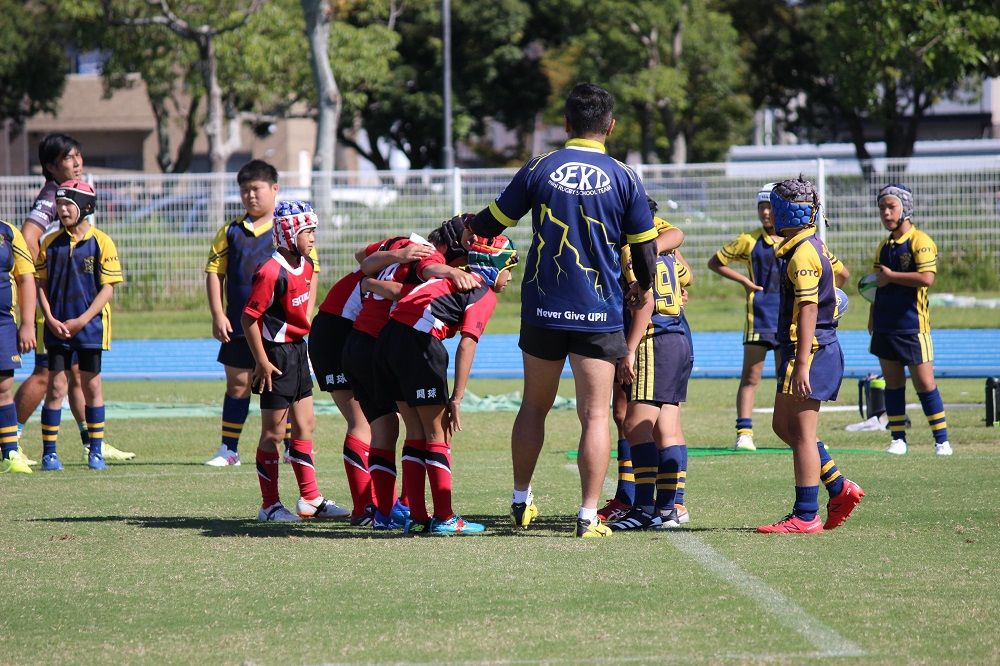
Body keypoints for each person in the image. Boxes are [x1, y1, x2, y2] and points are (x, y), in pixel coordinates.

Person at [465, 82, 675, 538]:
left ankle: (520, 498)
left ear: (565, 123)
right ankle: (586, 515)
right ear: (611, 126)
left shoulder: (540, 166)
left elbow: (492, 222)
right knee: (595, 414)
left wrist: (466, 227)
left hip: (543, 306)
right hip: (599, 311)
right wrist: (640, 286)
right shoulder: (624, 175)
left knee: (533, 406)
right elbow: (646, 247)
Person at [373, 234, 519, 535]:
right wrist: (457, 398)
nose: (510, 277)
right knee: (437, 433)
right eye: (509, 268)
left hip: (388, 341)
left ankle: (417, 518)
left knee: (416, 433)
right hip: (418, 343)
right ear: (495, 265)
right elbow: (467, 344)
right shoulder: (482, 291)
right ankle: (444, 517)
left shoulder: (457, 277)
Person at [341, 218, 476, 529]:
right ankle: (418, 513)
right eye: (467, 248)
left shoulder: (401, 243)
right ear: (453, 246)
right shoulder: (430, 255)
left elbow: (362, 258)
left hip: (359, 341)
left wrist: (382, 271)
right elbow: (429, 271)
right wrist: (451, 272)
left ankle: (387, 513)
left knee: (388, 428)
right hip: (381, 342)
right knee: (420, 430)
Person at [13, 134, 133, 464]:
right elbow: (28, 237)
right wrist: (40, 279)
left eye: (78, 155)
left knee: (78, 375)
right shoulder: (53, 196)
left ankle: (92, 442)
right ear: (51, 167)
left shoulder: (72, 196)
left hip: (74, 309)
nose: (77, 162)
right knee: (45, 375)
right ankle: (10, 440)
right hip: (51, 305)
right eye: (68, 158)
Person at [758, 177, 864, 534]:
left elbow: (807, 309)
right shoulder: (809, 244)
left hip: (811, 350)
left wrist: (803, 361)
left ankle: (806, 515)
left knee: (803, 434)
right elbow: (841, 274)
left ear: (788, 212)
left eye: (774, 207)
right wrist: (830, 295)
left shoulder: (803, 252)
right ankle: (838, 486)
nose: (770, 214)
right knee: (782, 426)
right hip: (803, 348)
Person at [309, 234, 439, 525]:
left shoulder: (412, 253)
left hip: (347, 332)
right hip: (338, 332)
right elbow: (364, 259)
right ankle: (366, 509)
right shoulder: (412, 249)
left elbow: (364, 261)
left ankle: (386, 507)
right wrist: (398, 256)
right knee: (364, 423)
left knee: (386, 422)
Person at [204, 159, 319, 467]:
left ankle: (291, 448)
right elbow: (215, 272)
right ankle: (229, 449)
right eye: (244, 190)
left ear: (274, 188)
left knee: (287, 388)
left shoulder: (293, 229)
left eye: (256, 189)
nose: (250, 196)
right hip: (242, 324)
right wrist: (218, 313)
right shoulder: (231, 231)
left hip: (280, 331)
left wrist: (304, 317)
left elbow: (310, 275)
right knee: (238, 384)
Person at [241, 201, 348, 522]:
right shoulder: (270, 271)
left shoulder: (307, 263)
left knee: (305, 425)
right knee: (273, 433)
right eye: (307, 231)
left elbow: (304, 301)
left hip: (299, 352)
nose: (313, 237)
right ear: (288, 234)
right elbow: (249, 319)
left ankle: (310, 499)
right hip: (275, 356)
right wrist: (261, 361)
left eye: (313, 230)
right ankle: (269, 505)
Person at [610, 217, 694, 531]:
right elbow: (686, 276)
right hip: (678, 336)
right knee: (667, 428)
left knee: (635, 424)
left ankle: (644, 508)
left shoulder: (632, 250)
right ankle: (669, 509)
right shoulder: (665, 252)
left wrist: (629, 350)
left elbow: (645, 301)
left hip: (654, 340)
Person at [35, 180, 124, 471]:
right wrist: (50, 318)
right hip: (57, 327)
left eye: (68, 204)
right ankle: (49, 454)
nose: (62, 210)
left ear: (85, 207)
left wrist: (82, 320)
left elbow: (108, 288)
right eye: (59, 204)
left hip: (90, 328)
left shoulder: (102, 241)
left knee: (92, 385)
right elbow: (40, 285)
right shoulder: (49, 242)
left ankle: (96, 451)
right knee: (56, 387)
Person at [868, 184, 952, 456]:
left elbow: (927, 278)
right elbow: (876, 285)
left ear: (905, 208)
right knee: (893, 384)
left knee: (925, 384)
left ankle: (941, 441)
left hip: (913, 326)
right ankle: (898, 439)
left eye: (891, 207)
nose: (886, 212)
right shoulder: (883, 246)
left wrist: (892, 277)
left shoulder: (920, 241)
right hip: (885, 325)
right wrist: (872, 315)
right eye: (882, 208)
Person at [707, 183, 782, 451]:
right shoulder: (749, 240)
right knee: (751, 376)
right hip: (759, 318)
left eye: (770, 207)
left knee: (788, 379)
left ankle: (795, 431)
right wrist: (744, 282)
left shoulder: (796, 240)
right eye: (762, 207)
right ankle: (744, 433)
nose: (765, 212)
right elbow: (715, 262)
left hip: (790, 320)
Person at [0, 218, 37, 474]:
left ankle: (10, 452)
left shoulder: (8, 232)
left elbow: (25, 278)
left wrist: (27, 324)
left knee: (3, 386)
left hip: (3, 322)